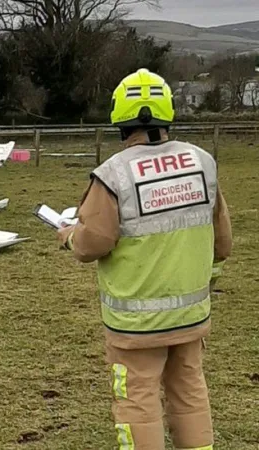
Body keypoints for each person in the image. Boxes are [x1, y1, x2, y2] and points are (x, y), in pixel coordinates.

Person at [57, 68, 233, 450]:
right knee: (189, 392)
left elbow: (93, 243)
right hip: (191, 316)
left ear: (120, 117)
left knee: (137, 399)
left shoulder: (113, 174)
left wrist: (69, 236)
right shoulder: (202, 162)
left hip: (135, 324)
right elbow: (222, 239)